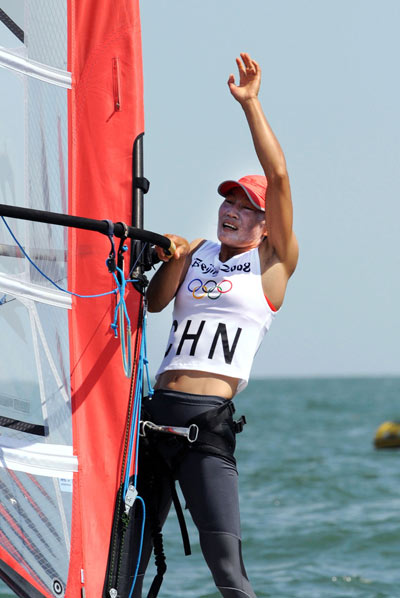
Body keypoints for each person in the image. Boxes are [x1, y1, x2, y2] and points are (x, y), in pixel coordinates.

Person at [132, 52, 298, 598]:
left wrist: (251, 105)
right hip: (153, 420)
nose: (231, 207)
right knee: (122, 562)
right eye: (227, 198)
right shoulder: (197, 250)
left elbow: (278, 174)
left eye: (246, 205)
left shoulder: (272, 266)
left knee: (228, 572)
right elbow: (154, 304)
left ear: (268, 222)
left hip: (206, 429)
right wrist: (174, 258)